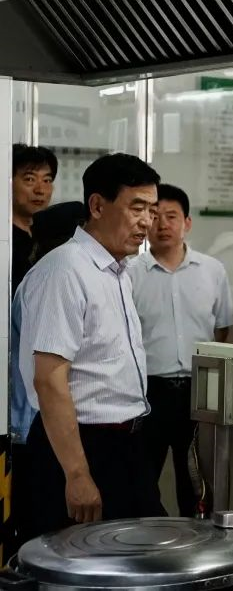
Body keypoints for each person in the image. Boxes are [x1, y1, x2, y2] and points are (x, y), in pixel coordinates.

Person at [18, 153, 164, 540]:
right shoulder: (65, 270)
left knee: (140, 554)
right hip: (81, 445)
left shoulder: (119, 271)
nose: (147, 222)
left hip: (126, 443)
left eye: (151, 210)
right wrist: (78, 473)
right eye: (137, 208)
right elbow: (49, 380)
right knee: (78, 559)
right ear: (97, 206)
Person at [128, 184, 233, 517]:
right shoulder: (129, 272)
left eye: (171, 216)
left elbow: (221, 330)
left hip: (198, 390)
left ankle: (198, 542)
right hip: (146, 392)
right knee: (142, 479)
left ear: (187, 222)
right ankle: (144, 542)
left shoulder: (212, 270)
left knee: (196, 482)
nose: (162, 224)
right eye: (154, 215)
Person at [9, 201, 84, 550]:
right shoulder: (51, 279)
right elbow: (45, 377)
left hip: (40, 424)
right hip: (36, 426)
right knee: (47, 536)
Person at [11, 145, 56, 293]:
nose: (40, 190)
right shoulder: (7, 239)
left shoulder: (51, 236)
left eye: (47, 180)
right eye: (30, 179)